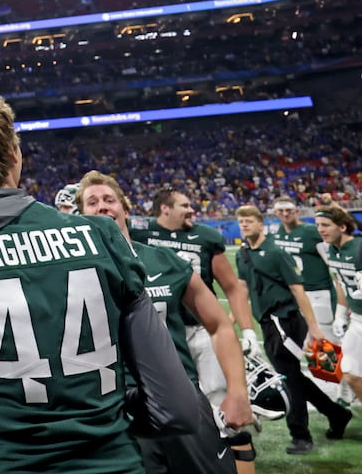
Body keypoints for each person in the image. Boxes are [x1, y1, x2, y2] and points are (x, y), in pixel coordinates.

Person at [0, 93, 206, 473]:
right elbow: (178, 406)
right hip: (112, 461)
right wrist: (104, 419)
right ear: (14, 153)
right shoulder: (102, 235)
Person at [77, 171, 254, 474]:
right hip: (112, 405)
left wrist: (237, 390)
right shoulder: (71, 272)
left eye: (109, 199)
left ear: (126, 209)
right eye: (92, 202)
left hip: (180, 396)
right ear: (80, 216)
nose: (102, 207)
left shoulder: (164, 261)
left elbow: (219, 324)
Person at [234, 203, 352, 454]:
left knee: (287, 379)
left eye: (249, 221)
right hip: (267, 322)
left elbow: (298, 290)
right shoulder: (242, 253)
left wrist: (313, 327)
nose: (245, 225)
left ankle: (301, 435)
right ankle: (336, 414)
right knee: (293, 377)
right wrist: (235, 319)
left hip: (285, 320)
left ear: (261, 223)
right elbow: (241, 289)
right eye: (241, 221)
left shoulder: (276, 252)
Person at [131, 188, 259, 415]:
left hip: (202, 328)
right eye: (185, 206)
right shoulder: (140, 233)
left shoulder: (206, 238)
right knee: (170, 401)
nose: (192, 210)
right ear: (165, 208)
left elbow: (232, 287)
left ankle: (224, 445)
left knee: (216, 396)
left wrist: (248, 331)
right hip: (164, 332)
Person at [315, 204, 362, 403]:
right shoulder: (332, 250)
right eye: (318, 225)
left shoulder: (359, 247)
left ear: (342, 227)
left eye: (326, 225)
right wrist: (340, 315)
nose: (321, 230)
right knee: (350, 373)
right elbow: (340, 283)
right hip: (357, 321)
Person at [270, 196, 337, 328]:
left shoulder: (311, 231)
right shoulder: (277, 231)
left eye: (288, 210)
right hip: (293, 293)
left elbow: (333, 257)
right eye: (281, 210)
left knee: (327, 338)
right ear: (275, 212)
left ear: (296, 211)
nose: (285, 213)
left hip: (317, 291)